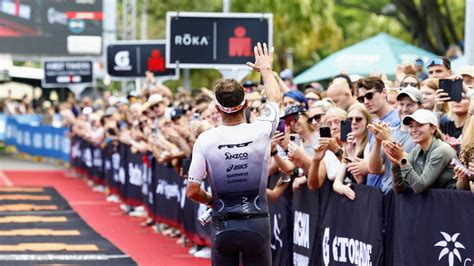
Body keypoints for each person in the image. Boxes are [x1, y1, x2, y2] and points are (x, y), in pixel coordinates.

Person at [186, 43, 280, 266]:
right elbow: (275, 100)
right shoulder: (261, 130)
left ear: (217, 109)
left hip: (223, 224)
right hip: (257, 224)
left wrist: (211, 201)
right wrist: (266, 70)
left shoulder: (205, 139)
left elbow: (192, 190)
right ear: (245, 104)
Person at [384, 109, 457, 193]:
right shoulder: (416, 150)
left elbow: (419, 187)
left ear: (433, 128)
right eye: (411, 126)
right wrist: (395, 164)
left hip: (449, 203)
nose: (414, 130)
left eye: (419, 125)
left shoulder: (442, 150)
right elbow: (399, 188)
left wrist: (402, 160)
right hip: (433, 203)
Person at [367, 86, 422, 193]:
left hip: (409, 195)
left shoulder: (422, 134)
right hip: (386, 193)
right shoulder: (390, 131)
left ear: (420, 107)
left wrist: (388, 139)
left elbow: (417, 164)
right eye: (401, 104)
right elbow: (374, 169)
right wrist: (377, 142)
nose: (404, 109)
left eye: (410, 105)